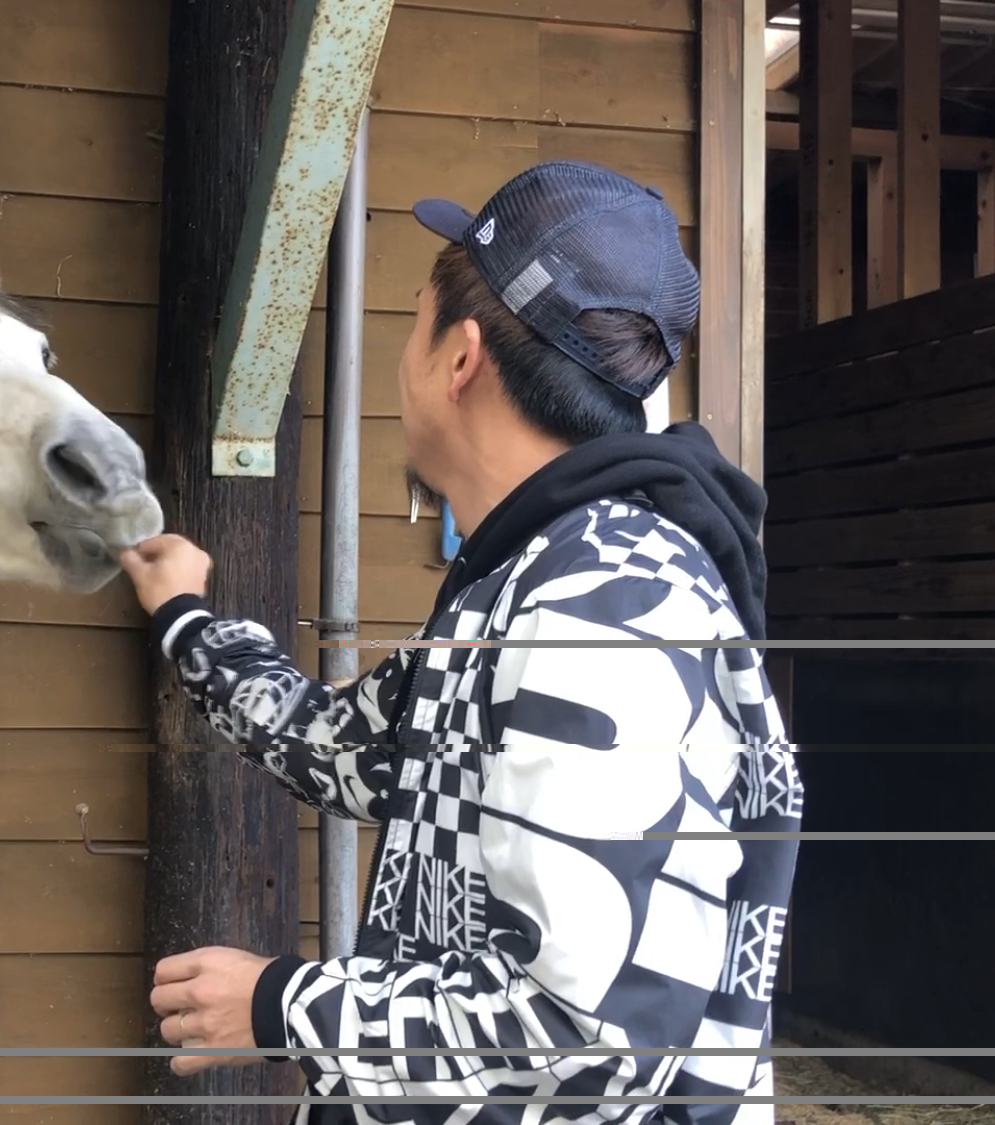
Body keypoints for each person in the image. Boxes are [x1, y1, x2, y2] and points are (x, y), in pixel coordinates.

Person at [116, 160, 805, 1125]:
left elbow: (590, 1033)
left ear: (460, 356)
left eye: (411, 318)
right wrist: (185, 617)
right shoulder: (531, 576)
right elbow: (346, 749)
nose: (401, 356)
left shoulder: (606, 605)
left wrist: (284, 1005)